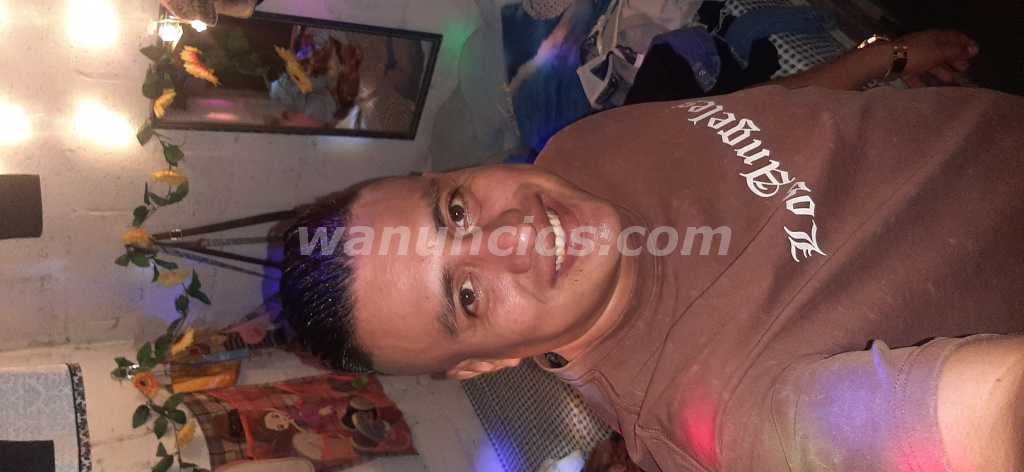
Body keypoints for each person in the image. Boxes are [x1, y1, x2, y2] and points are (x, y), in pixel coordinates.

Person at [279, 30, 1024, 472]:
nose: (515, 233)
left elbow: (752, 113)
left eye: (455, 210)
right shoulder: (730, 418)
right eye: (467, 296)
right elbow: (995, 416)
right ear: (481, 365)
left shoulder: (572, 151)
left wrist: (882, 59)